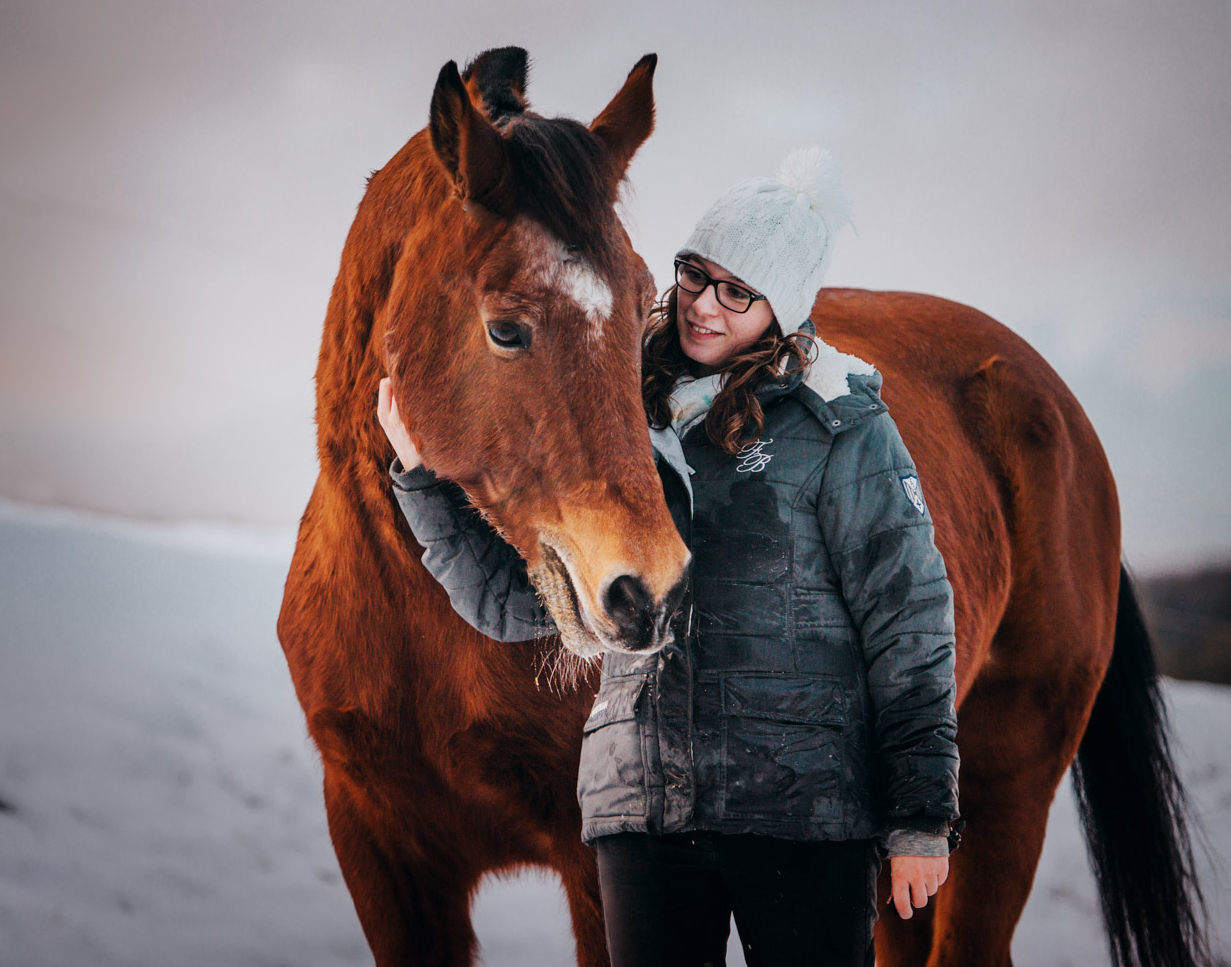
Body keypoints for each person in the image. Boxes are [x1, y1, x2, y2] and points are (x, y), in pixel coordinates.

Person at [378, 148, 960, 967]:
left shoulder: (842, 426)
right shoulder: (622, 412)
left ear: (781, 308)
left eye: (739, 292)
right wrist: (419, 478)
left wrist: (921, 816)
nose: (704, 307)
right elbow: (513, 607)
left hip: (802, 815)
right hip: (644, 818)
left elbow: (911, 625)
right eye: (695, 275)